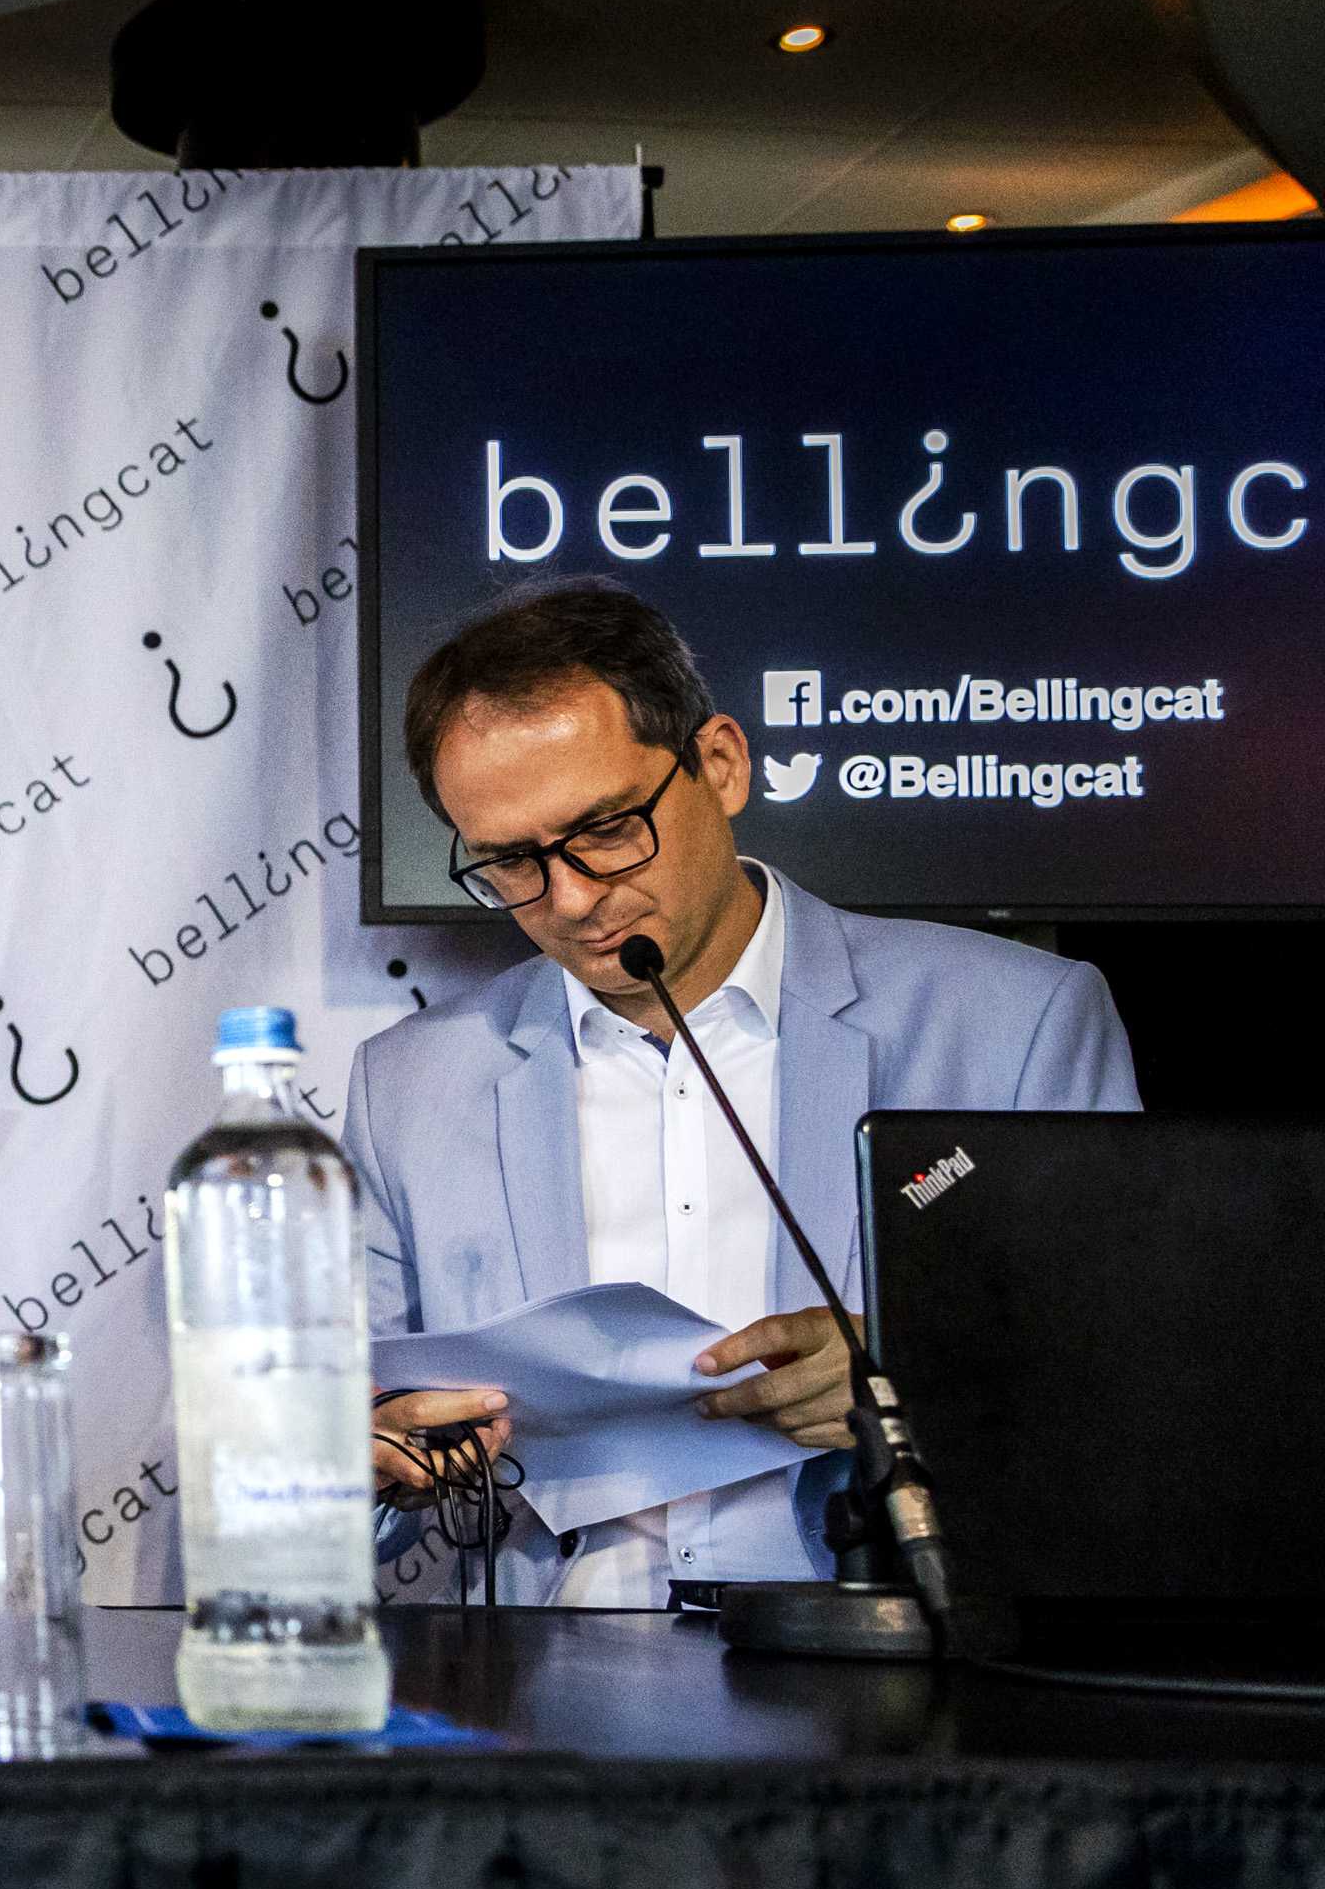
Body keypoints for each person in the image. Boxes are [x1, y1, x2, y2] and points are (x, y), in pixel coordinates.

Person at [350, 577, 1136, 1604]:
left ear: (718, 765)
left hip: (889, 1663)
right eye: (509, 863)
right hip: (546, 1687)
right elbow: (314, 1461)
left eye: (604, 828)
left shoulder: (1016, 1021)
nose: (573, 899)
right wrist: (367, 1458)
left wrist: (908, 1383)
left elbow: (1129, 1397)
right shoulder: (408, 1082)